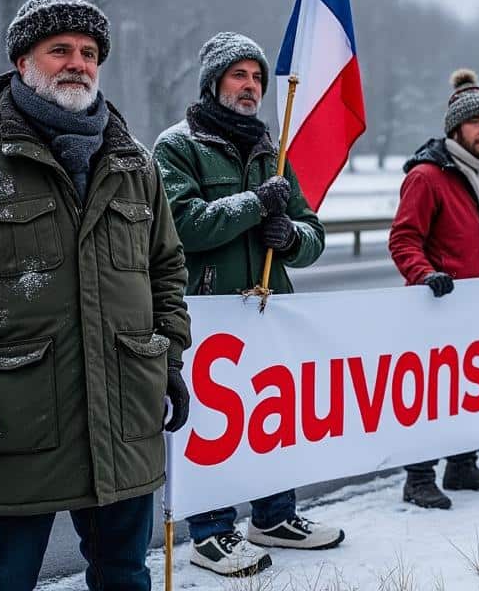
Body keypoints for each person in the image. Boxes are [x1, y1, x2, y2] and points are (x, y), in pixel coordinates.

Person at [0, 0, 191, 591]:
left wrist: (171, 359)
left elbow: (166, 269)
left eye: (88, 53)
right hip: (16, 419)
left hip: (123, 420)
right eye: (60, 50)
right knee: (3, 579)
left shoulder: (134, 164)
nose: (77, 63)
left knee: (125, 575)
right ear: (23, 61)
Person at [153, 32, 342, 576]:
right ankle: (210, 531)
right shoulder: (176, 146)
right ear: (214, 83)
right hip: (206, 313)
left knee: (270, 417)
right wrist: (255, 205)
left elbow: (314, 233)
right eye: (239, 75)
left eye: (257, 77)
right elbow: (182, 226)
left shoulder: (272, 151)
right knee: (213, 423)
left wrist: (291, 238)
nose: (251, 86)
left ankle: (275, 516)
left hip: (267, 313)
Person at [389, 68, 479, 509]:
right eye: (476, 123)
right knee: (430, 396)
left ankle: (462, 464)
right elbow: (404, 240)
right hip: (438, 308)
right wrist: (424, 274)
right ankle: (418, 477)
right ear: (456, 128)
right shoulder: (427, 177)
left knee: (469, 391)